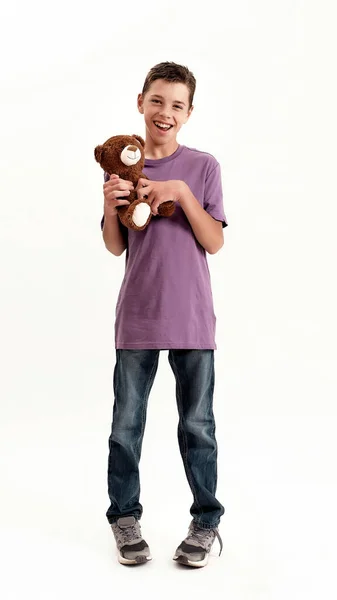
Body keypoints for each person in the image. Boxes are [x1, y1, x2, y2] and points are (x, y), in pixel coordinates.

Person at [100, 61, 228, 568]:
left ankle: (205, 522)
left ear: (189, 113)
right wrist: (111, 207)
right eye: (157, 101)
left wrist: (179, 192)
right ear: (140, 103)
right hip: (138, 316)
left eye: (177, 105)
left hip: (193, 319)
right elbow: (114, 247)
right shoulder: (122, 166)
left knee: (197, 424)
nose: (165, 112)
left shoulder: (203, 167)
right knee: (125, 425)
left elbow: (215, 242)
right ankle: (124, 517)